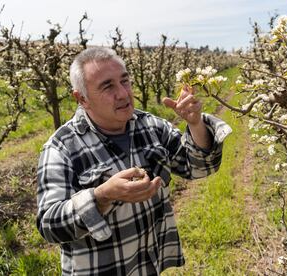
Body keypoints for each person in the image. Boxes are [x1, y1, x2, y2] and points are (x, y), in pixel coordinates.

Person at [36, 46, 232, 275]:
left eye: (124, 81)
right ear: (82, 99)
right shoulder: (62, 147)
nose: (122, 93)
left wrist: (195, 124)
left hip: (148, 266)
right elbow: (49, 225)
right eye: (107, 86)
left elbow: (199, 168)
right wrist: (102, 196)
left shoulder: (150, 126)